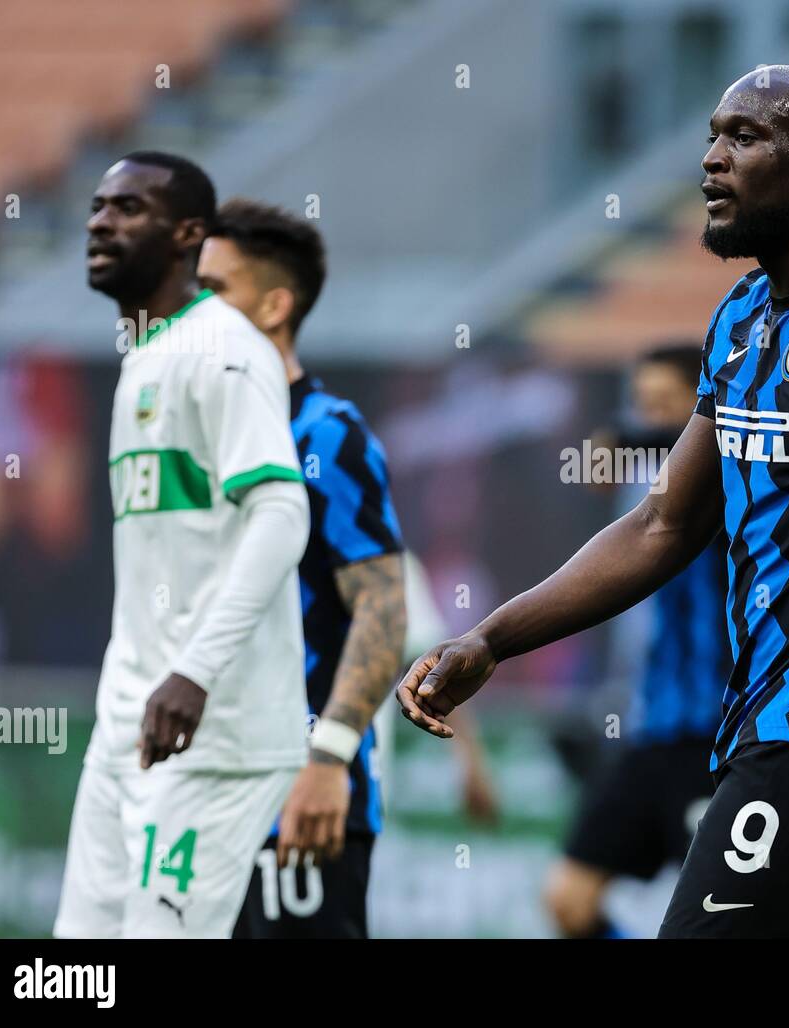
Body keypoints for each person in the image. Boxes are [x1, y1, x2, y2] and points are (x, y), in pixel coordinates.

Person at [399, 66, 789, 939]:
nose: (711, 159)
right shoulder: (742, 318)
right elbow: (661, 522)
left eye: (744, 138)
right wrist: (491, 638)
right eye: (714, 135)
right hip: (754, 726)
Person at [197, 199, 496, 938]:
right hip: (196, 798)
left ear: (275, 304)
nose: (190, 310)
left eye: (214, 291)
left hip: (296, 797)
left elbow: (387, 612)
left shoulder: (327, 434)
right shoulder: (201, 434)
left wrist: (326, 761)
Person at [55, 153, 311, 938]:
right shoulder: (144, 355)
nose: (100, 222)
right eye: (97, 206)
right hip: (128, 724)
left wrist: (193, 671)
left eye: (128, 209)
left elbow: (281, 512)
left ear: (186, 235)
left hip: (216, 734)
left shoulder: (223, 350)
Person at [545, 345, 731, 939]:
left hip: (718, 737)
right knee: (568, 900)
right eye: (640, 401)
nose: (647, 416)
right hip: (650, 727)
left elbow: (653, 447)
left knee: (719, 916)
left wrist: (627, 438)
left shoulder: (733, 469)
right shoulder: (645, 479)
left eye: (662, 403)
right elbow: (599, 468)